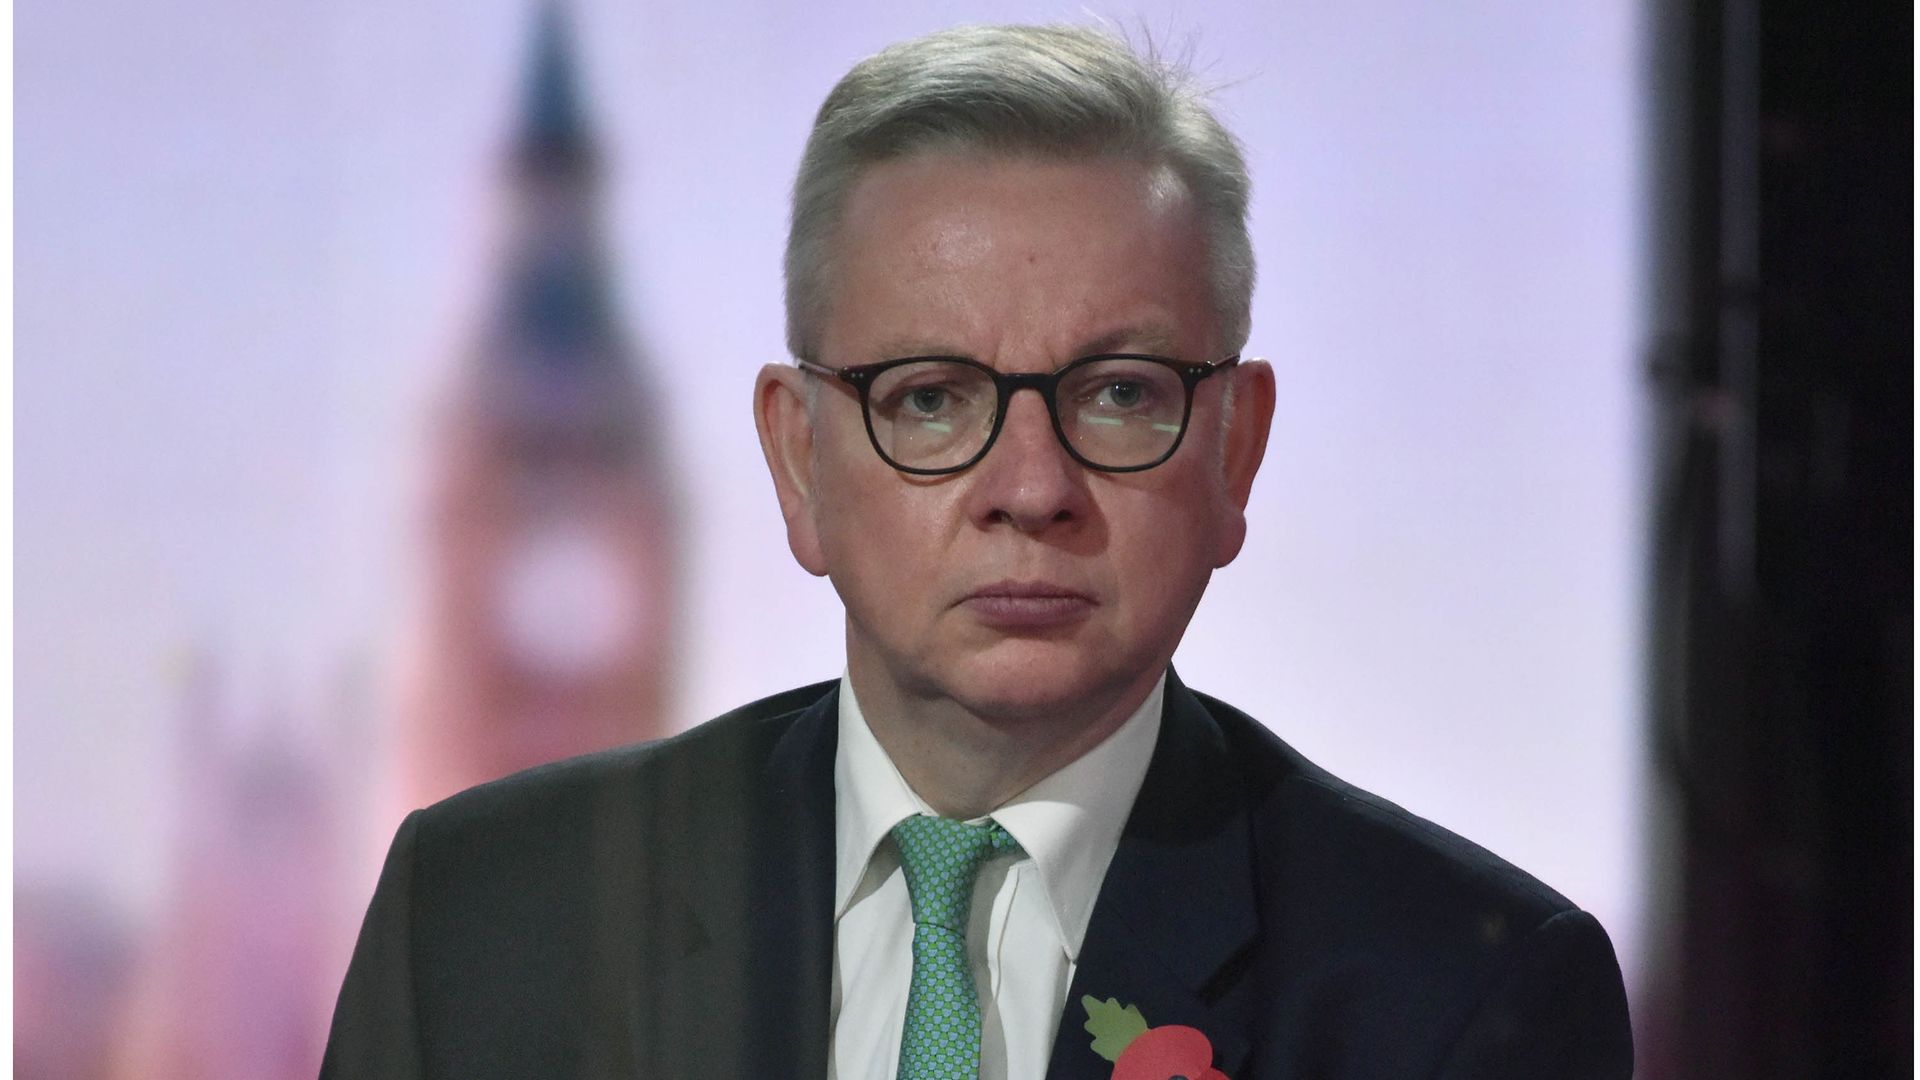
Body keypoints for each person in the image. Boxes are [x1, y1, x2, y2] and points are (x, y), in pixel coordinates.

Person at [321, 24, 1633, 1080]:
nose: (1031, 488)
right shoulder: (485, 919)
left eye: (1119, 392)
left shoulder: (1467, 997)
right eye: (932, 399)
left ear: (1233, 453)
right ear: (800, 461)